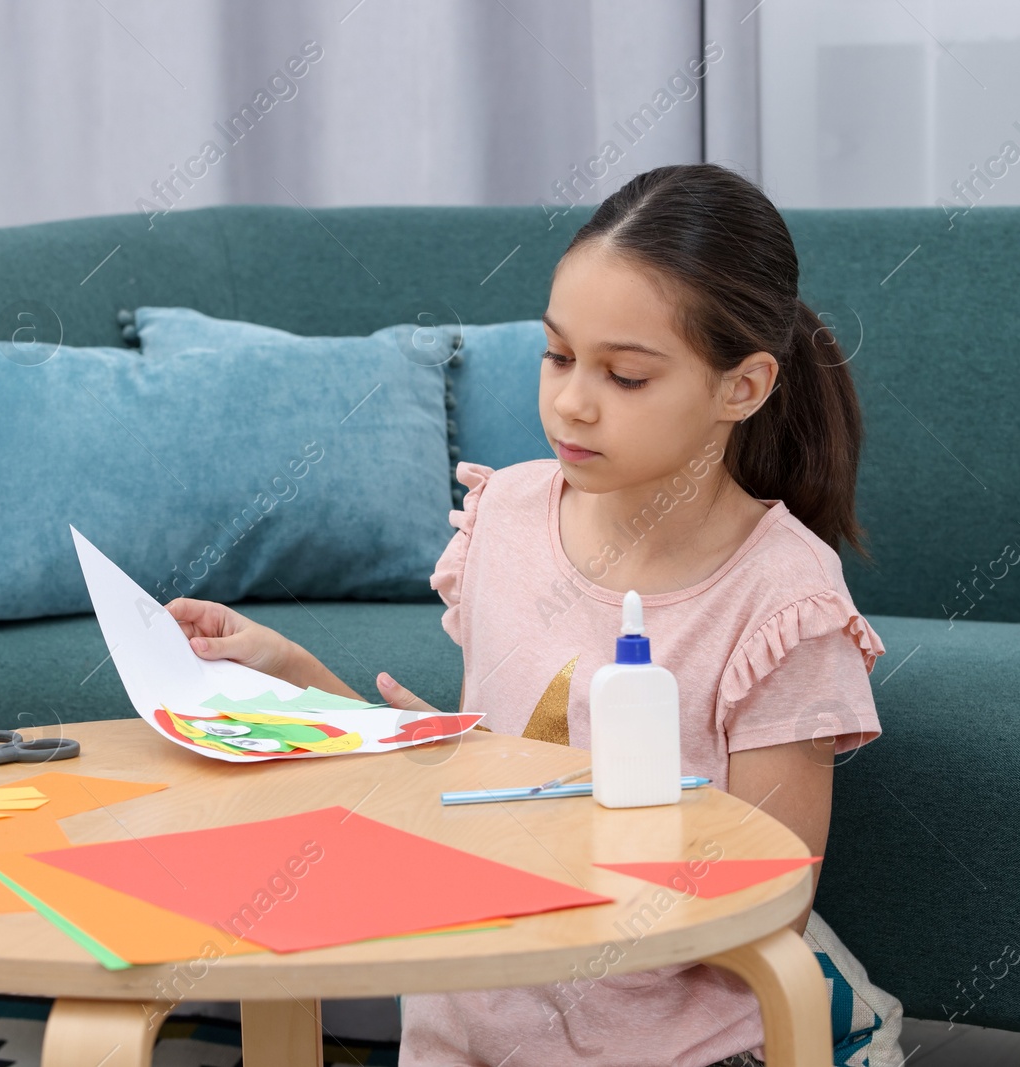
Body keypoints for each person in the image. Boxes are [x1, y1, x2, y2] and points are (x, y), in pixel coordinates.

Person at [165, 162, 899, 1066]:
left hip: (673, 1048)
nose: (571, 400)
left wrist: (533, 823)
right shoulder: (506, 514)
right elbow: (476, 775)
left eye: (624, 376)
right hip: (461, 1031)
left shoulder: (783, 598)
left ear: (742, 388)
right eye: (557, 356)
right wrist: (291, 672)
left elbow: (764, 891)